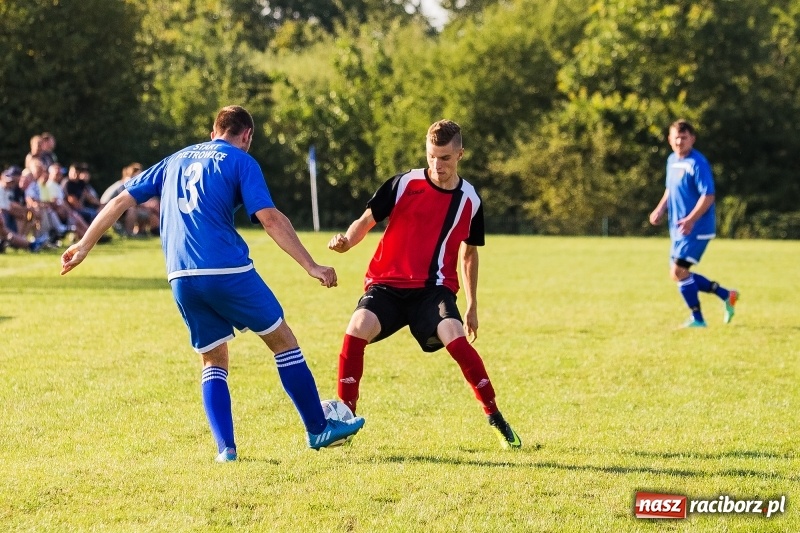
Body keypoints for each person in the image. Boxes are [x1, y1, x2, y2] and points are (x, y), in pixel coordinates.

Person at [61, 105, 365, 461]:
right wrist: (310, 265)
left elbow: (120, 201)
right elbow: (269, 218)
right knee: (283, 342)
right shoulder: (240, 160)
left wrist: (84, 245)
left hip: (180, 276)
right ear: (246, 136)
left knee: (213, 359)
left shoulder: (174, 159)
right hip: (226, 270)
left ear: (213, 132)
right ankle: (318, 428)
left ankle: (226, 450)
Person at [328, 119, 521, 450]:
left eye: (445, 158)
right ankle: (345, 416)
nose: (437, 165)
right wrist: (346, 240)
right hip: (387, 284)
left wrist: (472, 305)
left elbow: (469, 255)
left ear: (460, 154)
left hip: (434, 290)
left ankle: (494, 415)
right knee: (357, 327)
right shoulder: (404, 183)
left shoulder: (470, 200)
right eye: (432, 156)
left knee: (456, 338)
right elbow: (367, 219)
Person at [649, 119, 739, 328]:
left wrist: (691, 219)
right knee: (680, 274)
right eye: (676, 137)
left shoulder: (697, 163)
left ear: (692, 139)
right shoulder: (672, 160)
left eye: (684, 137)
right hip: (679, 228)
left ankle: (698, 319)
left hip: (697, 228)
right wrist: (660, 209)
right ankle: (727, 295)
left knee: (679, 272)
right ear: (669, 139)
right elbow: (670, 190)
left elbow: (708, 196)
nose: (680, 141)